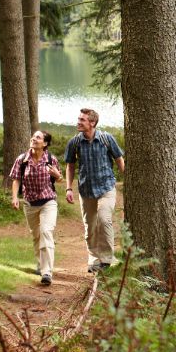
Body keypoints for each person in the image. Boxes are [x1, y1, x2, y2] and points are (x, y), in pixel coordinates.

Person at [64, 108, 125, 274]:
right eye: (79, 119)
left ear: (92, 123)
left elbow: (119, 159)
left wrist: (127, 181)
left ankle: (106, 259)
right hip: (86, 190)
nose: (78, 122)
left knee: (104, 220)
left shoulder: (106, 139)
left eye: (82, 120)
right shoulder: (74, 142)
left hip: (106, 188)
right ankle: (93, 259)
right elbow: (70, 166)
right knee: (89, 226)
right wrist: (69, 188)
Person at [10, 130, 63, 286]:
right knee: (36, 235)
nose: (34, 139)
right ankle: (41, 264)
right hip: (29, 203)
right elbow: (16, 180)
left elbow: (59, 179)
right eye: (33, 137)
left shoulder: (51, 159)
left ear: (45, 143)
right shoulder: (22, 159)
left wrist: (57, 176)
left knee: (46, 232)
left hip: (48, 202)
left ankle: (47, 272)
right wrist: (15, 197)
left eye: (38, 137)